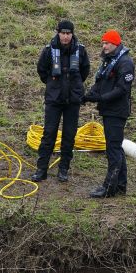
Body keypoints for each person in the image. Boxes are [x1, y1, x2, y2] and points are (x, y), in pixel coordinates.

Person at [30, 19, 91, 183]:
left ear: (72, 34)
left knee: (69, 136)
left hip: (73, 100)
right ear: (58, 33)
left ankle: (63, 169)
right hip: (54, 99)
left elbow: (85, 70)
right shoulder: (49, 50)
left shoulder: (81, 51)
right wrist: (53, 84)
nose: (65, 37)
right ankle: (41, 170)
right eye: (63, 33)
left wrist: (74, 87)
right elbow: (41, 70)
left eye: (68, 33)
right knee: (48, 134)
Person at [83, 30, 135, 198]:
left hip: (117, 111)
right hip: (109, 110)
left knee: (113, 149)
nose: (104, 46)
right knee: (116, 148)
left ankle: (109, 188)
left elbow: (122, 89)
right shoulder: (109, 61)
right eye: (103, 43)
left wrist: (101, 98)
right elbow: (100, 82)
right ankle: (120, 185)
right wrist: (87, 97)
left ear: (115, 44)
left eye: (107, 43)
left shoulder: (125, 63)